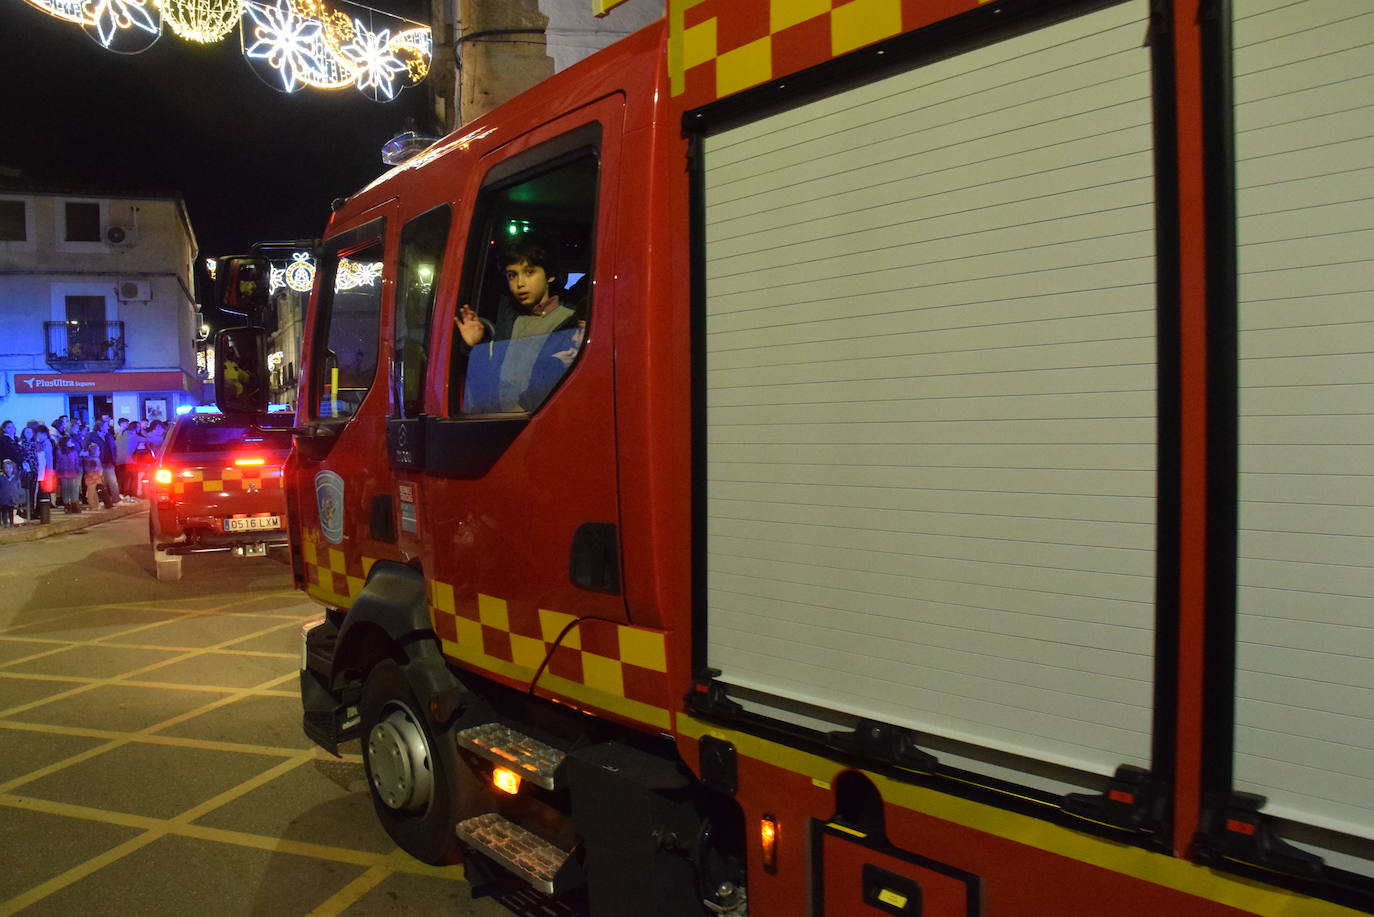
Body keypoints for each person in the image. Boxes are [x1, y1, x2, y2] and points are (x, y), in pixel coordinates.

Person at [454, 240, 586, 412]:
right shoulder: (508, 318)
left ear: (550, 275)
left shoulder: (571, 322)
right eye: (512, 275)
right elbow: (490, 380)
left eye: (529, 272)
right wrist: (475, 346)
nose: (520, 283)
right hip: (499, 420)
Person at [83, 418, 121, 504]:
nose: (107, 428)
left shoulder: (108, 436)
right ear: (100, 427)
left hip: (108, 462)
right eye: (106, 426)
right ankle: (101, 500)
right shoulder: (91, 435)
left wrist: (114, 459)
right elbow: (85, 447)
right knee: (99, 482)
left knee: (112, 481)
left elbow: (113, 448)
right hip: (96, 463)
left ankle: (116, 499)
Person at [115, 420, 148, 501]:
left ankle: (122, 494)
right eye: (138, 427)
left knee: (122, 479)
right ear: (136, 428)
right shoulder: (134, 436)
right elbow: (148, 440)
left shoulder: (120, 436)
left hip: (118, 461)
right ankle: (132, 495)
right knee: (133, 478)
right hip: (129, 461)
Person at [54, 430, 82, 510]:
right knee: (65, 489)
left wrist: (77, 470)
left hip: (72, 472)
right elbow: (58, 462)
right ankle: (67, 505)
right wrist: (57, 471)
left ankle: (74, 504)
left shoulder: (74, 451)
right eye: (69, 441)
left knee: (72, 488)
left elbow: (76, 461)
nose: (71, 442)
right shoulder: (60, 451)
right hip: (63, 473)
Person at [0, 459, 20, 527]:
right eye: (6, 468)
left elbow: (18, 487)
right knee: (4, 511)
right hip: (3, 498)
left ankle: (11, 523)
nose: (8, 470)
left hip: (12, 498)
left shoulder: (15, 478)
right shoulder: (1, 478)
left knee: (11, 510)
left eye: (10, 468)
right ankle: (5, 523)